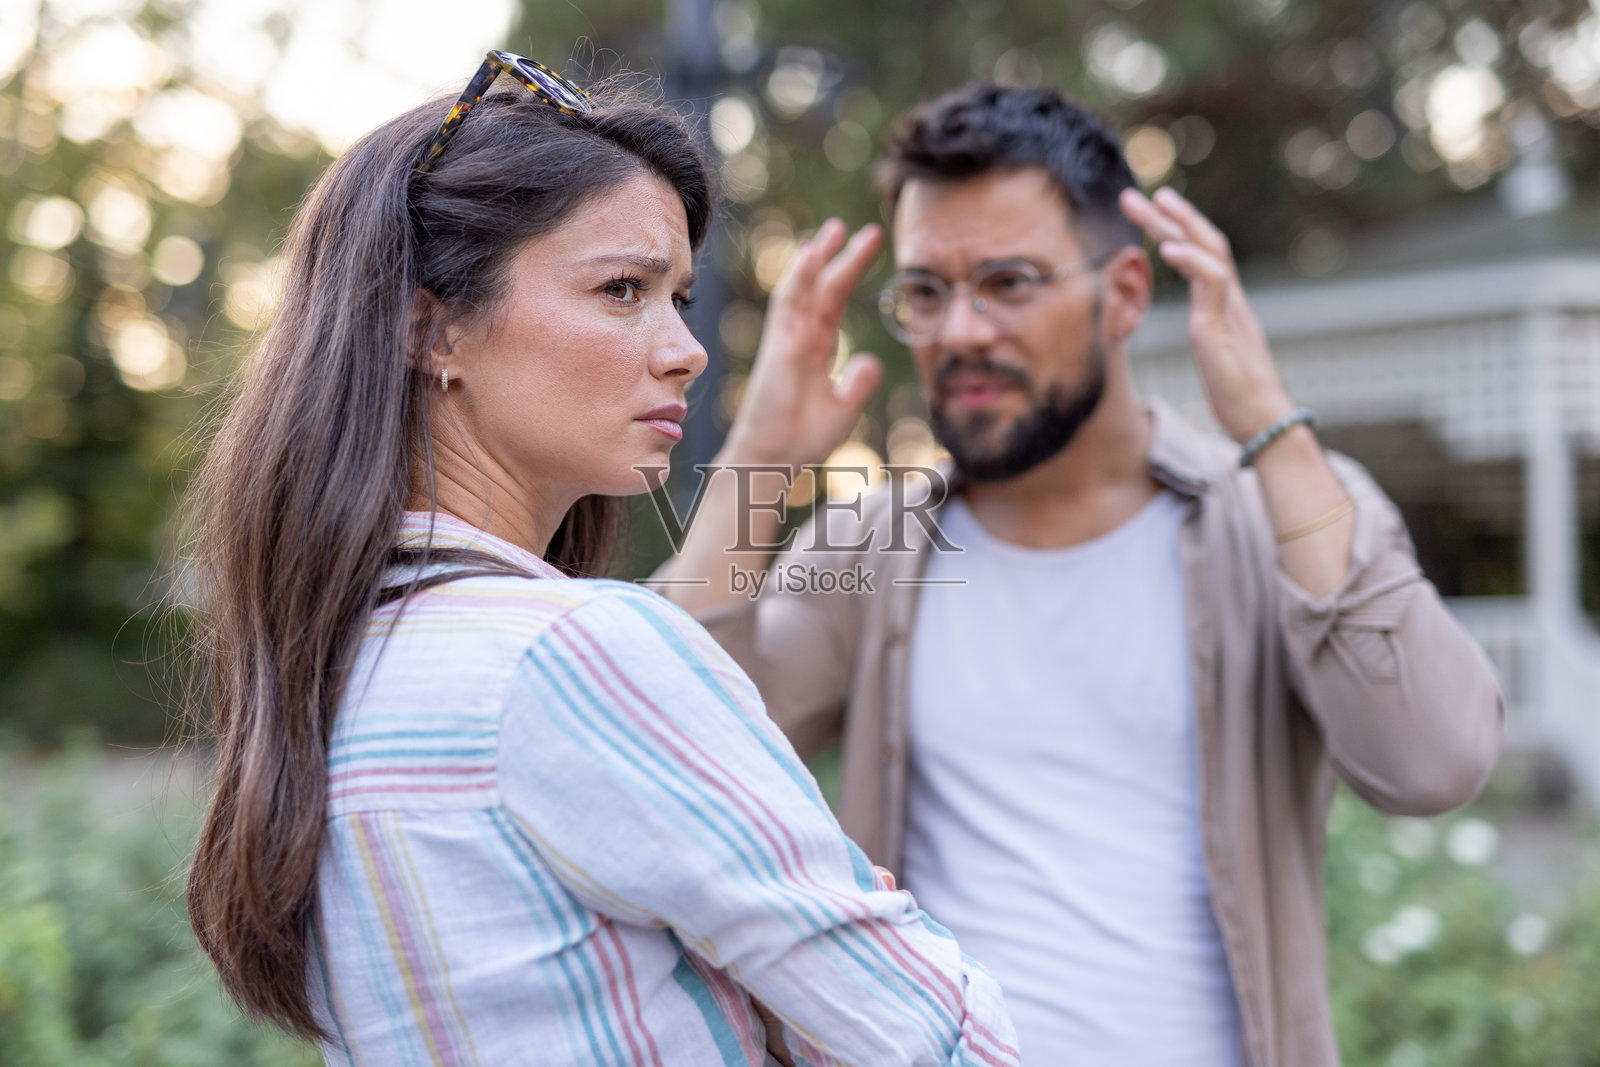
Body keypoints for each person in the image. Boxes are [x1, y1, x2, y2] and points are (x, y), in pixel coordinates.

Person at [178, 53, 1018, 1067]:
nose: (686, 347)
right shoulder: (570, 652)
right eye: (622, 288)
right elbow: (941, 1039)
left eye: (677, 295)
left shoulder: (342, 660)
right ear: (433, 325)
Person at [655, 82, 1504, 1065]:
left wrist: (1269, 425)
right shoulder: (872, 544)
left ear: (1127, 294)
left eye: (1009, 282)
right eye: (927, 290)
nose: (961, 331)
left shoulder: (1273, 513)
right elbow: (667, 730)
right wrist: (760, 452)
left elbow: (1432, 761)